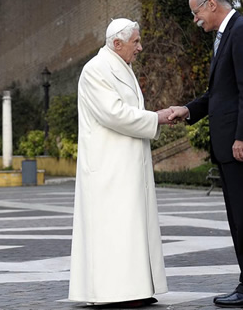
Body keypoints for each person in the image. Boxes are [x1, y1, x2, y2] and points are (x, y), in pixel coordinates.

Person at [168, 0, 243, 308]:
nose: (195, 19)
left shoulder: (241, 31)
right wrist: (188, 110)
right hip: (229, 145)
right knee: (239, 219)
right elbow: (221, 94)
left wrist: (242, 136)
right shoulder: (225, 36)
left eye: (196, 12)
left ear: (211, 4)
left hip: (241, 145)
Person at [68, 18, 171, 307]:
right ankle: (114, 294)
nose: (140, 47)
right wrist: (157, 117)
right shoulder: (96, 70)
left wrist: (154, 118)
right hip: (108, 168)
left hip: (126, 164)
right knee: (114, 230)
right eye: (135, 42)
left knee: (130, 228)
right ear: (117, 43)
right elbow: (114, 114)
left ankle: (134, 289)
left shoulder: (119, 67)